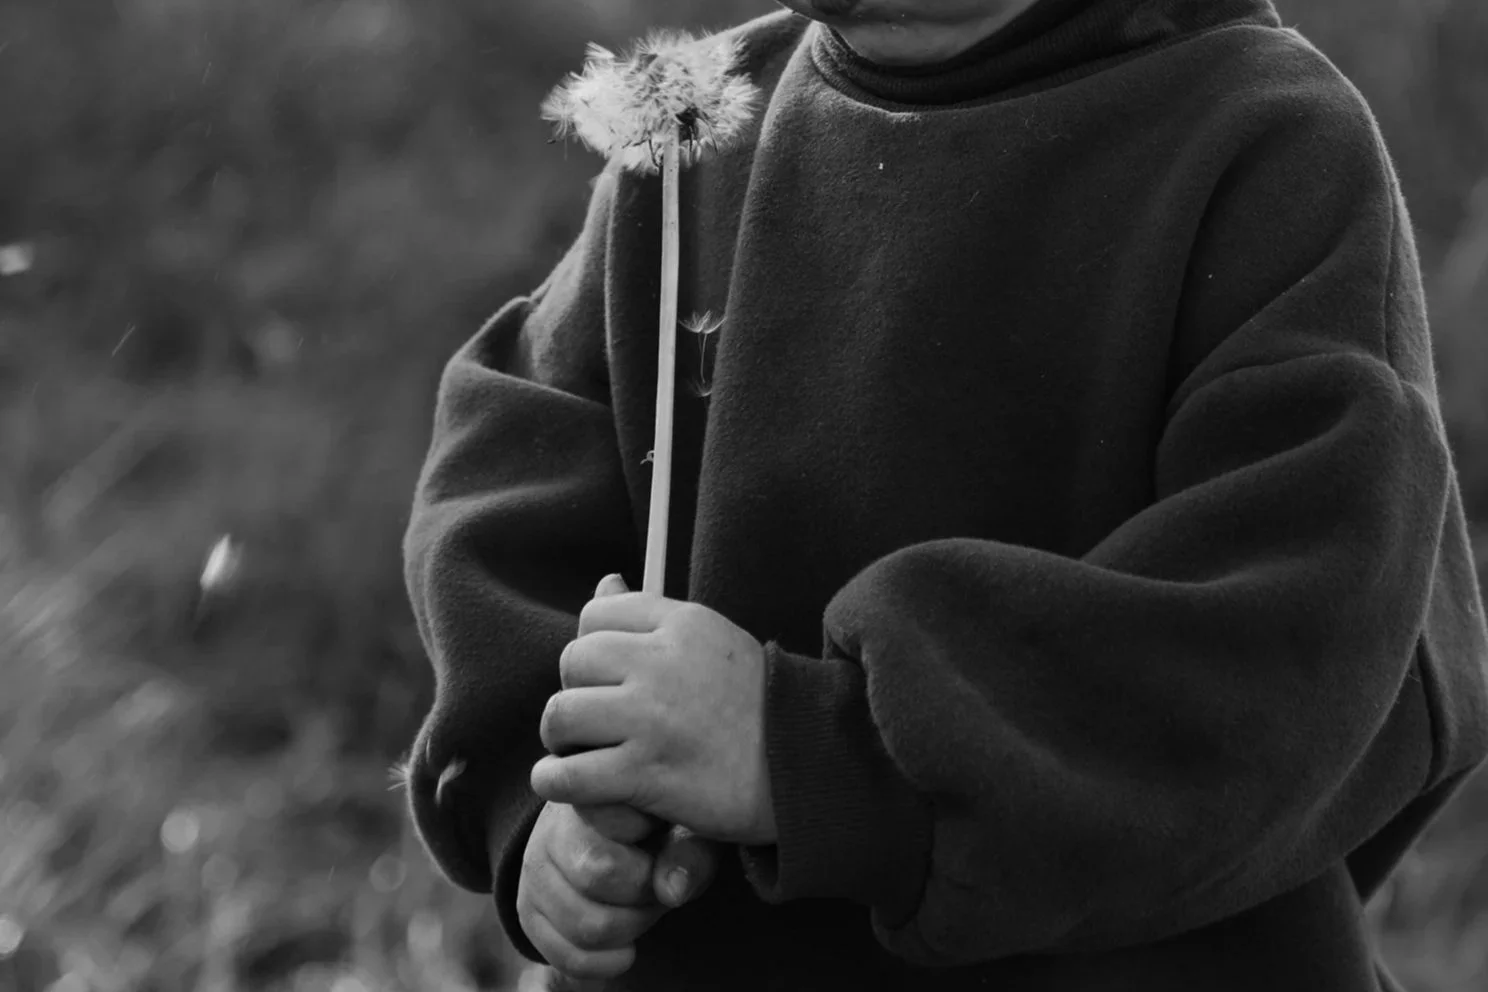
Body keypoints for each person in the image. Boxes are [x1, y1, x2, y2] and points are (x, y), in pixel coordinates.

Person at [399, 1, 1488, 989]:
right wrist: (542, 798)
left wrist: (813, 756)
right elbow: (511, 468)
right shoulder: (690, 130)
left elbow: (1304, 629)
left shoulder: (1265, 141)